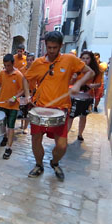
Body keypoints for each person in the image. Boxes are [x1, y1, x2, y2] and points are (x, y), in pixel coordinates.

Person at [24, 31, 95, 181]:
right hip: (40, 108)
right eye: (49, 47)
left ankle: (54, 162)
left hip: (61, 109)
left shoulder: (69, 60)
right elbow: (25, 78)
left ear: (61, 46)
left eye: (54, 47)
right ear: (45, 45)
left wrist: (78, 84)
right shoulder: (38, 63)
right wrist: (27, 95)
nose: (51, 50)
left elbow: (90, 72)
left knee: (62, 145)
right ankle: (38, 165)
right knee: (36, 140)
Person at [0, 54, 24, 159]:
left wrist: (15, 98)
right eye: (5, 65)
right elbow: (0, 84)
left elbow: (23, 90)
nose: (6, 68)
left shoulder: (18, 75)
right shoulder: (2, 73)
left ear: (13, 64)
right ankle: (5, 137)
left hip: (13, 105)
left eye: (8, 66)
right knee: (3, 125)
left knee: (10, 126)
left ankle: (9, 148)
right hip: (2, 103)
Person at [68, 50, 101, 141]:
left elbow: (98, 84)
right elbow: (69, 82)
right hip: (74, 96)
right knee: (70, 117)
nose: (85, 60)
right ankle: (64, 136)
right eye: (83, 58)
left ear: (91, 59)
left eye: (87, 58)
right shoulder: (76, 69)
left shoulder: (96, 71)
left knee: (83, 116)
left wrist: (89, 86)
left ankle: (80, 134)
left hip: (87, 96)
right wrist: (73, 79)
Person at [19, 53, 35, 134]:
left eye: (31, 60)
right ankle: (22, 123)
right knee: (22, 109)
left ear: (33, 61)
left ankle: (25, 127)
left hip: (31, 92)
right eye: (27, 60)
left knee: (29, 111)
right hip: (23, 92)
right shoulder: (22, 70)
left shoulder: (36, 70)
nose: (29, 61)